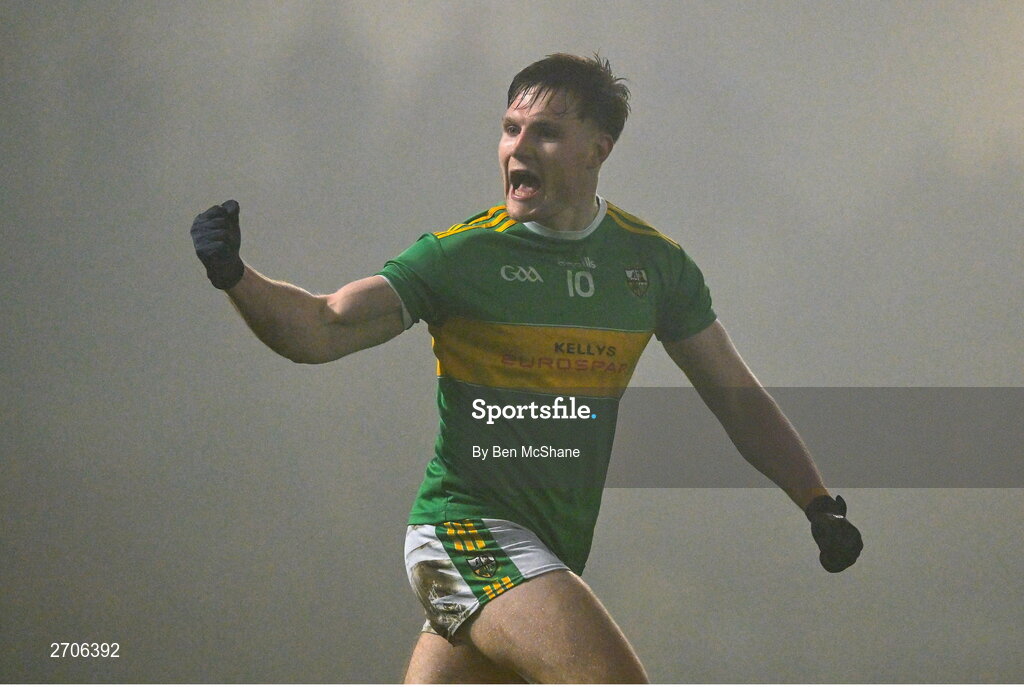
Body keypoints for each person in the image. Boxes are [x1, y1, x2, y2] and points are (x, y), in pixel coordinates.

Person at [191, 53, 863, 683]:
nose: (517, 148)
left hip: (541, 553)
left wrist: (817, 501)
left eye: (544, 132)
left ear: (599, 148)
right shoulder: (461, 256)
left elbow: (738, 400)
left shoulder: (653, 265)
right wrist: (234, 276)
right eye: (510, 129)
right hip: (462, 536)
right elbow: (322, 325)